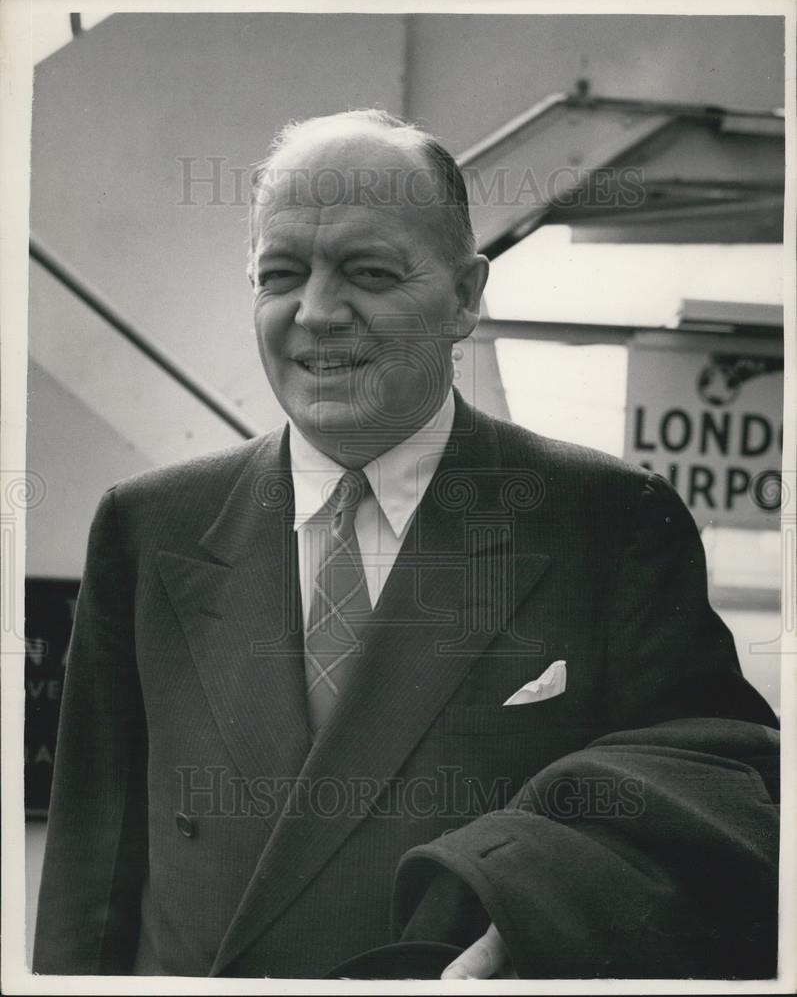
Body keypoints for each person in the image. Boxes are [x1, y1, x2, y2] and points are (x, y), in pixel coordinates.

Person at [33, 109, 779, 980]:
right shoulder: (149, 524)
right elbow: (92, 870)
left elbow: (729, 784)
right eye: (279, 275)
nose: (314, 313)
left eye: (368, 272)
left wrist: (537, 908)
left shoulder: (609, 524)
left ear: (465, 295)